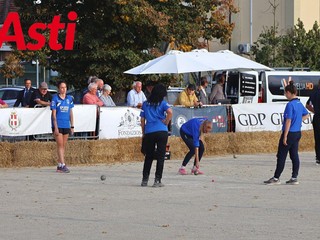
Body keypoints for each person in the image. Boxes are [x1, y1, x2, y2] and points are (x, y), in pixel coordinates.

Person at [264, 81, 309, 185]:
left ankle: (276, 178)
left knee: (281, 155)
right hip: (297, 132)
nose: (285, 95)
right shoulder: (299, 103)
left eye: (285, 93)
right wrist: (298, 121)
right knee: (294, 155)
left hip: (290, 133)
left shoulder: (290, 105)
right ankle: (294, 177)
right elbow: (307, 115)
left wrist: (285, 136)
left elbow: (288, 121)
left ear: (289, 92)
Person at [140, 83, 172, 187]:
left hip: (150, 131)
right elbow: (170, 112)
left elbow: (142, 119)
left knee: (148, 156)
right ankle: (157, 180)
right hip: (161, 130)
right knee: (160, 156)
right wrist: (166, 122)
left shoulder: (145, 104)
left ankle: (145, 179)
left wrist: (143, 132)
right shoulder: (163, 103)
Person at [51, 81, 74, 173]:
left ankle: (59, 164)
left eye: (65, 87)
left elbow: (71, 113)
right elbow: (54, 115)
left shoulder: (69, 99)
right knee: (60, 145)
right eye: (61, 87)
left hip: (66, 124)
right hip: (58, 125)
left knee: (63, 146)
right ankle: (63, 164)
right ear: (58, 89)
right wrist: (55, 127)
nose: (63, 89)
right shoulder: (55, 99)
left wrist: (72, 126)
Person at [306, 80, 320, 165]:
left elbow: (307, 105)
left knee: (317, 138)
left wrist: (314, 111)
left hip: (317, 117)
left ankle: (318, 157)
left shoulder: (314, 93)